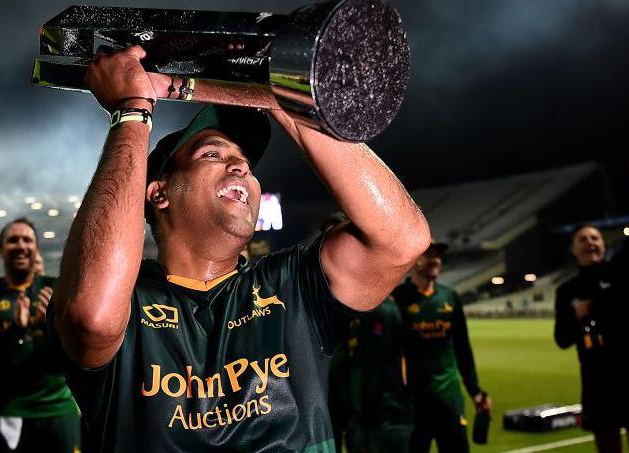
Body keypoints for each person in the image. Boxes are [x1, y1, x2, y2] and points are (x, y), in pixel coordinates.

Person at [48, 45, 430, 452]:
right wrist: (132, 109)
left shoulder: (292, 286)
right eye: (212, 154)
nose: (241, 167)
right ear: (159, 194)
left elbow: (401, 241)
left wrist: (280, 100)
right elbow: (93, 315)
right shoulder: (130, 302)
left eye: (245, 162)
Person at [554, 162, 629, 453]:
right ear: (573, 250)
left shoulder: (621, 273)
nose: (590, 242)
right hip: (597, 384)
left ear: (604, 245)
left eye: (595, 238)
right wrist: (576, 315)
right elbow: (561, 339)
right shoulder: (566, 292)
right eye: (582, 239)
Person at [0, 218, 80, 453]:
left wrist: (54, 325)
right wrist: (16, 331)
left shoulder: (58, 290)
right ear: (0, 249)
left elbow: (80, 349)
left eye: (27, 239)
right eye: (12, 240)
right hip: (10, 412)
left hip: (59, 412)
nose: (20, 245)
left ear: (36, 249)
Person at [392, 242, 491, 453]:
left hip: (449, 397)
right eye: (428, 255)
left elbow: (463, 348)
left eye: (437, 255)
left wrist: (475, 392)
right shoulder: (398, 298)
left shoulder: (450, 296)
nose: (435, 259)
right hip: (413, 401)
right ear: (412, 261)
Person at [345, 295, 414, 453]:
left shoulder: (382, 311)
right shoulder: (363, 308)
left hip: (381, 413)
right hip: (374, 411)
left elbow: (374, 367)